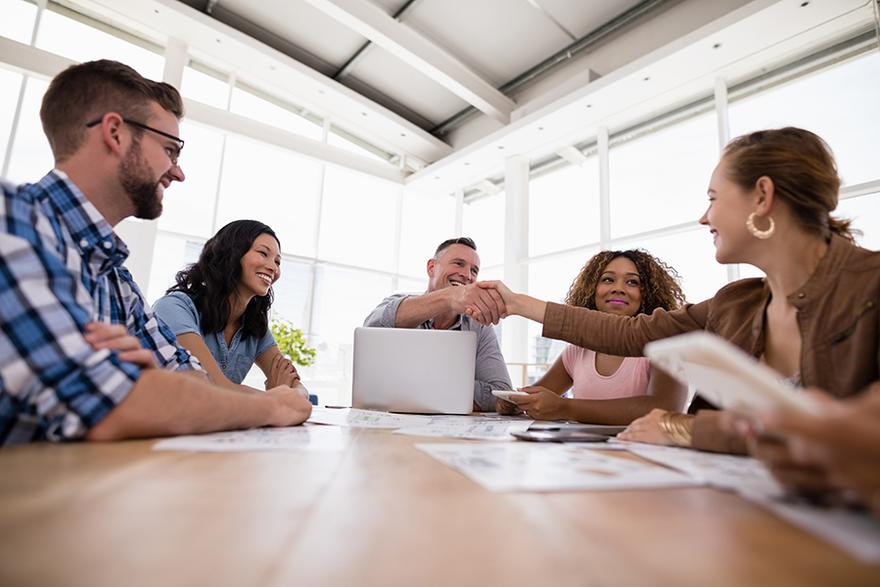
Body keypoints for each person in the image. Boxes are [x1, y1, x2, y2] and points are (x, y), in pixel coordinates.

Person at [473, 127, 880, 454]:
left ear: (762, 196)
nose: (704, 217)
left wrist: (684, 427)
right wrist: (516, 303)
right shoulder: (735, 304)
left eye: (713, 198)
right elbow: (632, 334)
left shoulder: (870, 285)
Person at [0, 60, 311, 446]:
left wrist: (153, 387)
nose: (177, 173)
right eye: (170, 150)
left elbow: (191, 378)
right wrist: (274, 406)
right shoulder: (9, 220)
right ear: (114, 132)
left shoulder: (117, 281)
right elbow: (109, 405)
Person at [498, 250, 687, 424]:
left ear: (648, 293)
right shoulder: (577, 351)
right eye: (607, 280)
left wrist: (566, 408)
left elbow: (665, 409)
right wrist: (513, 401)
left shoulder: (664, 343)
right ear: (591, 290)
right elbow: (538, 396)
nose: (618, 288)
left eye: (632, 282)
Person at [153, 220, 307, 396]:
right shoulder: (175, 308)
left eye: (277, 261)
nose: (273, 267)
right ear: (232, 253)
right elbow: (211, 385)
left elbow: (299, 390)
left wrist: (287, 395)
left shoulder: (254, 328)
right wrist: (277, 396)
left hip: (213, 422)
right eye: (263, 253)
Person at [364, 237, 511, 411]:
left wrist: (418, 385)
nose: (467, 275)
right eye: (458, 263)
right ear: (431, 268)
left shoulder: (480, 326)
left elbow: (502, 394)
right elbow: (371, 330)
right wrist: (449, 298)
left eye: (474, 270)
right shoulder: (399, 303)